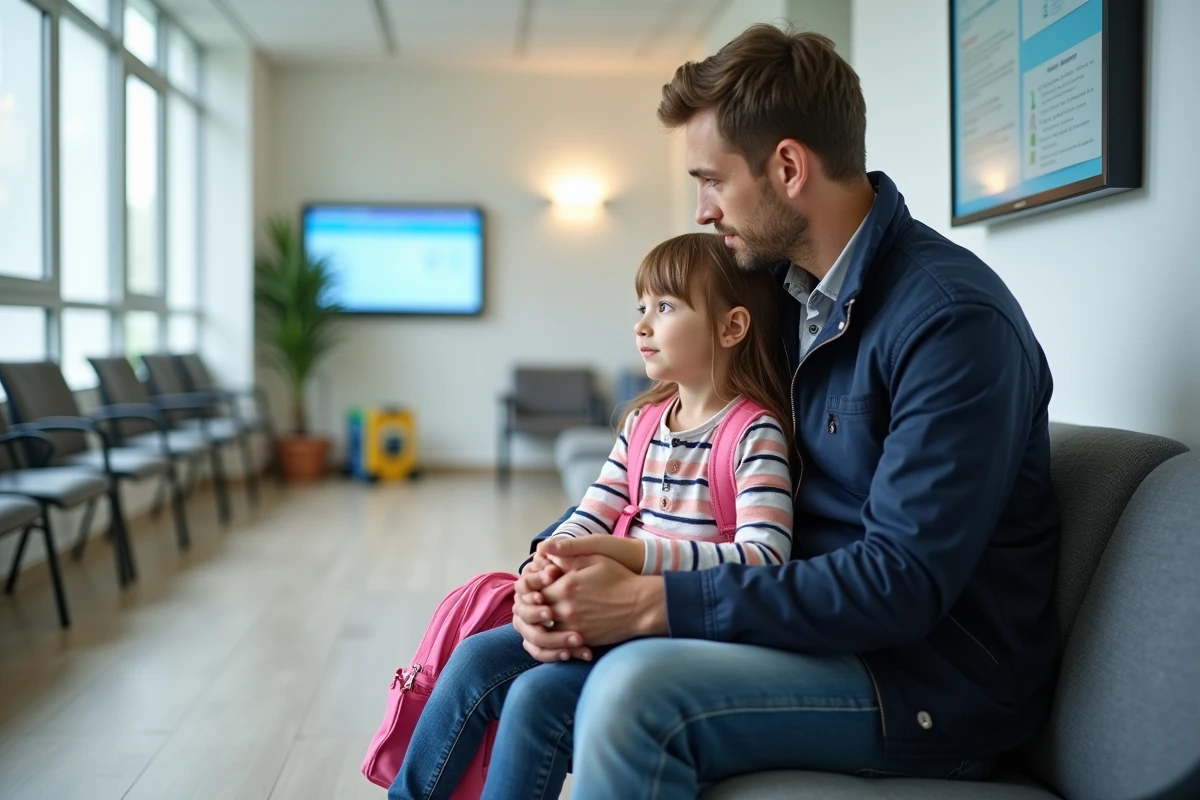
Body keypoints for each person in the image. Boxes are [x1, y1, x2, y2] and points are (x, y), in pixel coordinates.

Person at [510, 24, 1060, 798]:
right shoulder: (784, 294)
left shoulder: (951, 323)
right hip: (804, 626)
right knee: (516, 669)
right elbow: (660, 453)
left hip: (924, 683)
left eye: (712, 181)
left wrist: (651, 604)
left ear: (789, 167)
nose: (702, 211)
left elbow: (899, 584)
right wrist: (553, 565)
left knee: (635, 695)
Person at [388, 233, 796, 800]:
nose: (643, 324)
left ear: (731, 328)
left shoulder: (754, 433)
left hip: (679, 631)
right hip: (605, 614)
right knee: (476, 654)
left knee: (538, 695)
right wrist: (543, 566)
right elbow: (591, 513)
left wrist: (635, 557)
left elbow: (765, 559)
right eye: (642, 307)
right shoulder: (644, 423)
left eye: (667, 306)